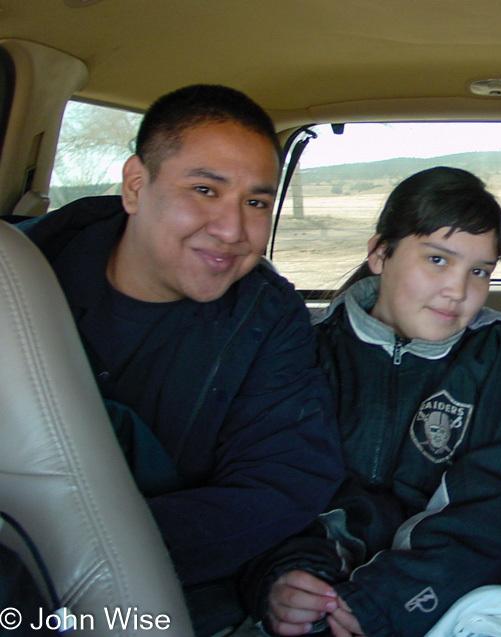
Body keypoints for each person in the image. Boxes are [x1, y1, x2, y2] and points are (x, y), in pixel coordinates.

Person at [15, 84, 343, 634]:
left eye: (256, 202)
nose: (233, 230)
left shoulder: (267, 316)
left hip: (174, 591)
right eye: (204, 190)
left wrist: (92, 553)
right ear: (136, 185)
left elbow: (283, 481)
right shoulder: (19, 279)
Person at [240, 166, 501, 637]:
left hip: (444, 601)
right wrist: (281, 580)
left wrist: (389, 598)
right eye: (437, 260)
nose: (458, 290)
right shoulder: (307, 354)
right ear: (380, 253)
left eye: (479, 271)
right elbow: (268, 484)